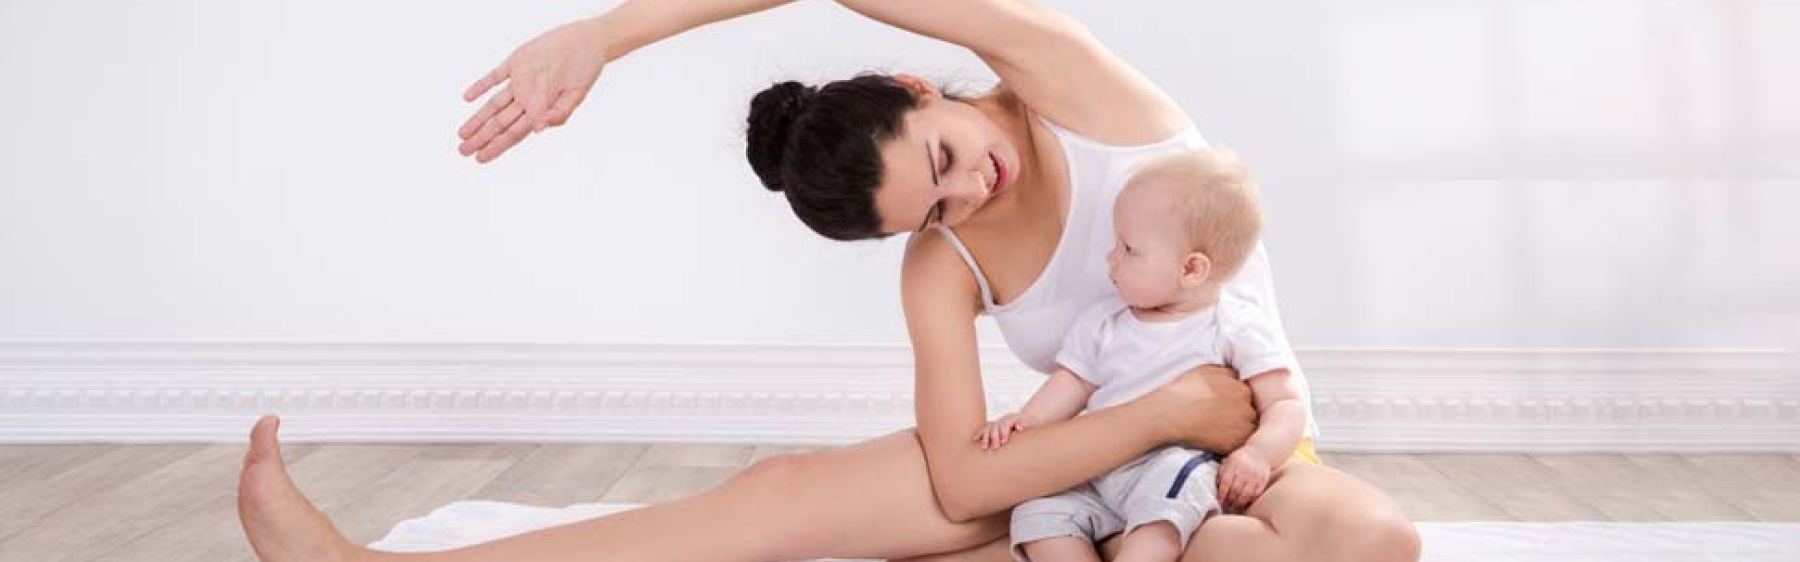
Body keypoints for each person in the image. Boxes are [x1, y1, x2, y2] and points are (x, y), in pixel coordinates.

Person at [237, 1, 1422, 561]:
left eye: (947, 161)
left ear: (922, 88)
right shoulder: (938, 262)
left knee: (1365, 546)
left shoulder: (1070, 84)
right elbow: (963, 472)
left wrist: (604, 37)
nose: (974, 193)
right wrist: (1164, 409)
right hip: (1077, 471)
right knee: (779, 492)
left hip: (1241, 451)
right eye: (939, 207)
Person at [976, 150, 1311, 562]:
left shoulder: (1234, 326)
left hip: (1174, 463)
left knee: (1163, 513)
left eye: (1129, 249)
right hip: (1098, 465)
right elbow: (1072, 384)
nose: (1111, 258)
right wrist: (1026, 422)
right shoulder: (1104, 322)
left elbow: (1285, 403)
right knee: (1036, 511)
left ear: (1191, 269)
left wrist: (1258, 453)